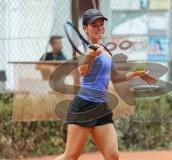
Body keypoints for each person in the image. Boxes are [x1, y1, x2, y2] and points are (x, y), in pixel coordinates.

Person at [55, 9, 157, 160]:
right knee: (71, 156)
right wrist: (90, 55)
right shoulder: (83, 48)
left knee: (113, 155)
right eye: (94, 25)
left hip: (102, 107)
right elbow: (83, 71)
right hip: (84, 106)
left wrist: (137, 74)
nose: (99, 28)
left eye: (101, 24)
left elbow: (115, 76)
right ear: (85, 28)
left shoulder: (106, 50)